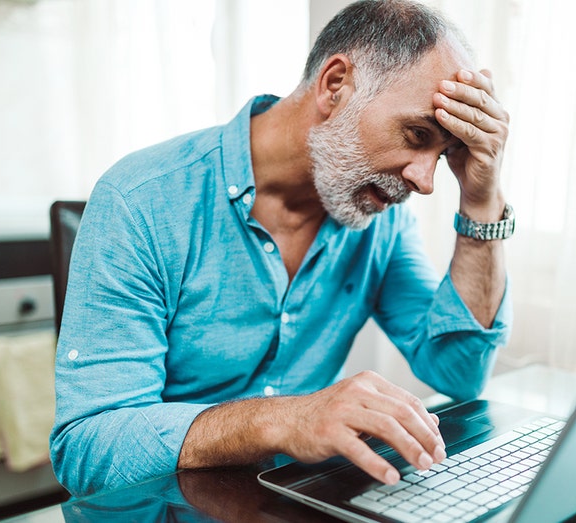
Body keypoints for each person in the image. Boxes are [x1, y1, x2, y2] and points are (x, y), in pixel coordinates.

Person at [49, 0, 513, 498]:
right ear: (336, 84)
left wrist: (481, 201)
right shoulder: (142, 202)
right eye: (416, 134)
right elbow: (89, 446)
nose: (424, 181)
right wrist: (284, 420)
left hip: (295, 503)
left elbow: (459, 373)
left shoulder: (382, 221)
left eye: (442, 155)